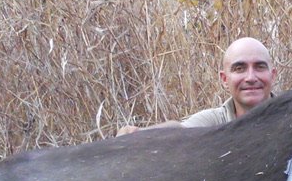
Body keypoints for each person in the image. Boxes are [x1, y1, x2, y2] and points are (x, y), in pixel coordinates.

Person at [118, 37, 275, 134]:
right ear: (224, 79)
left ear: (273, 75)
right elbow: (180, 129)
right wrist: (138, 132)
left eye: (259, 67)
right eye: (239, 69)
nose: (250, 77)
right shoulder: (214, 120)